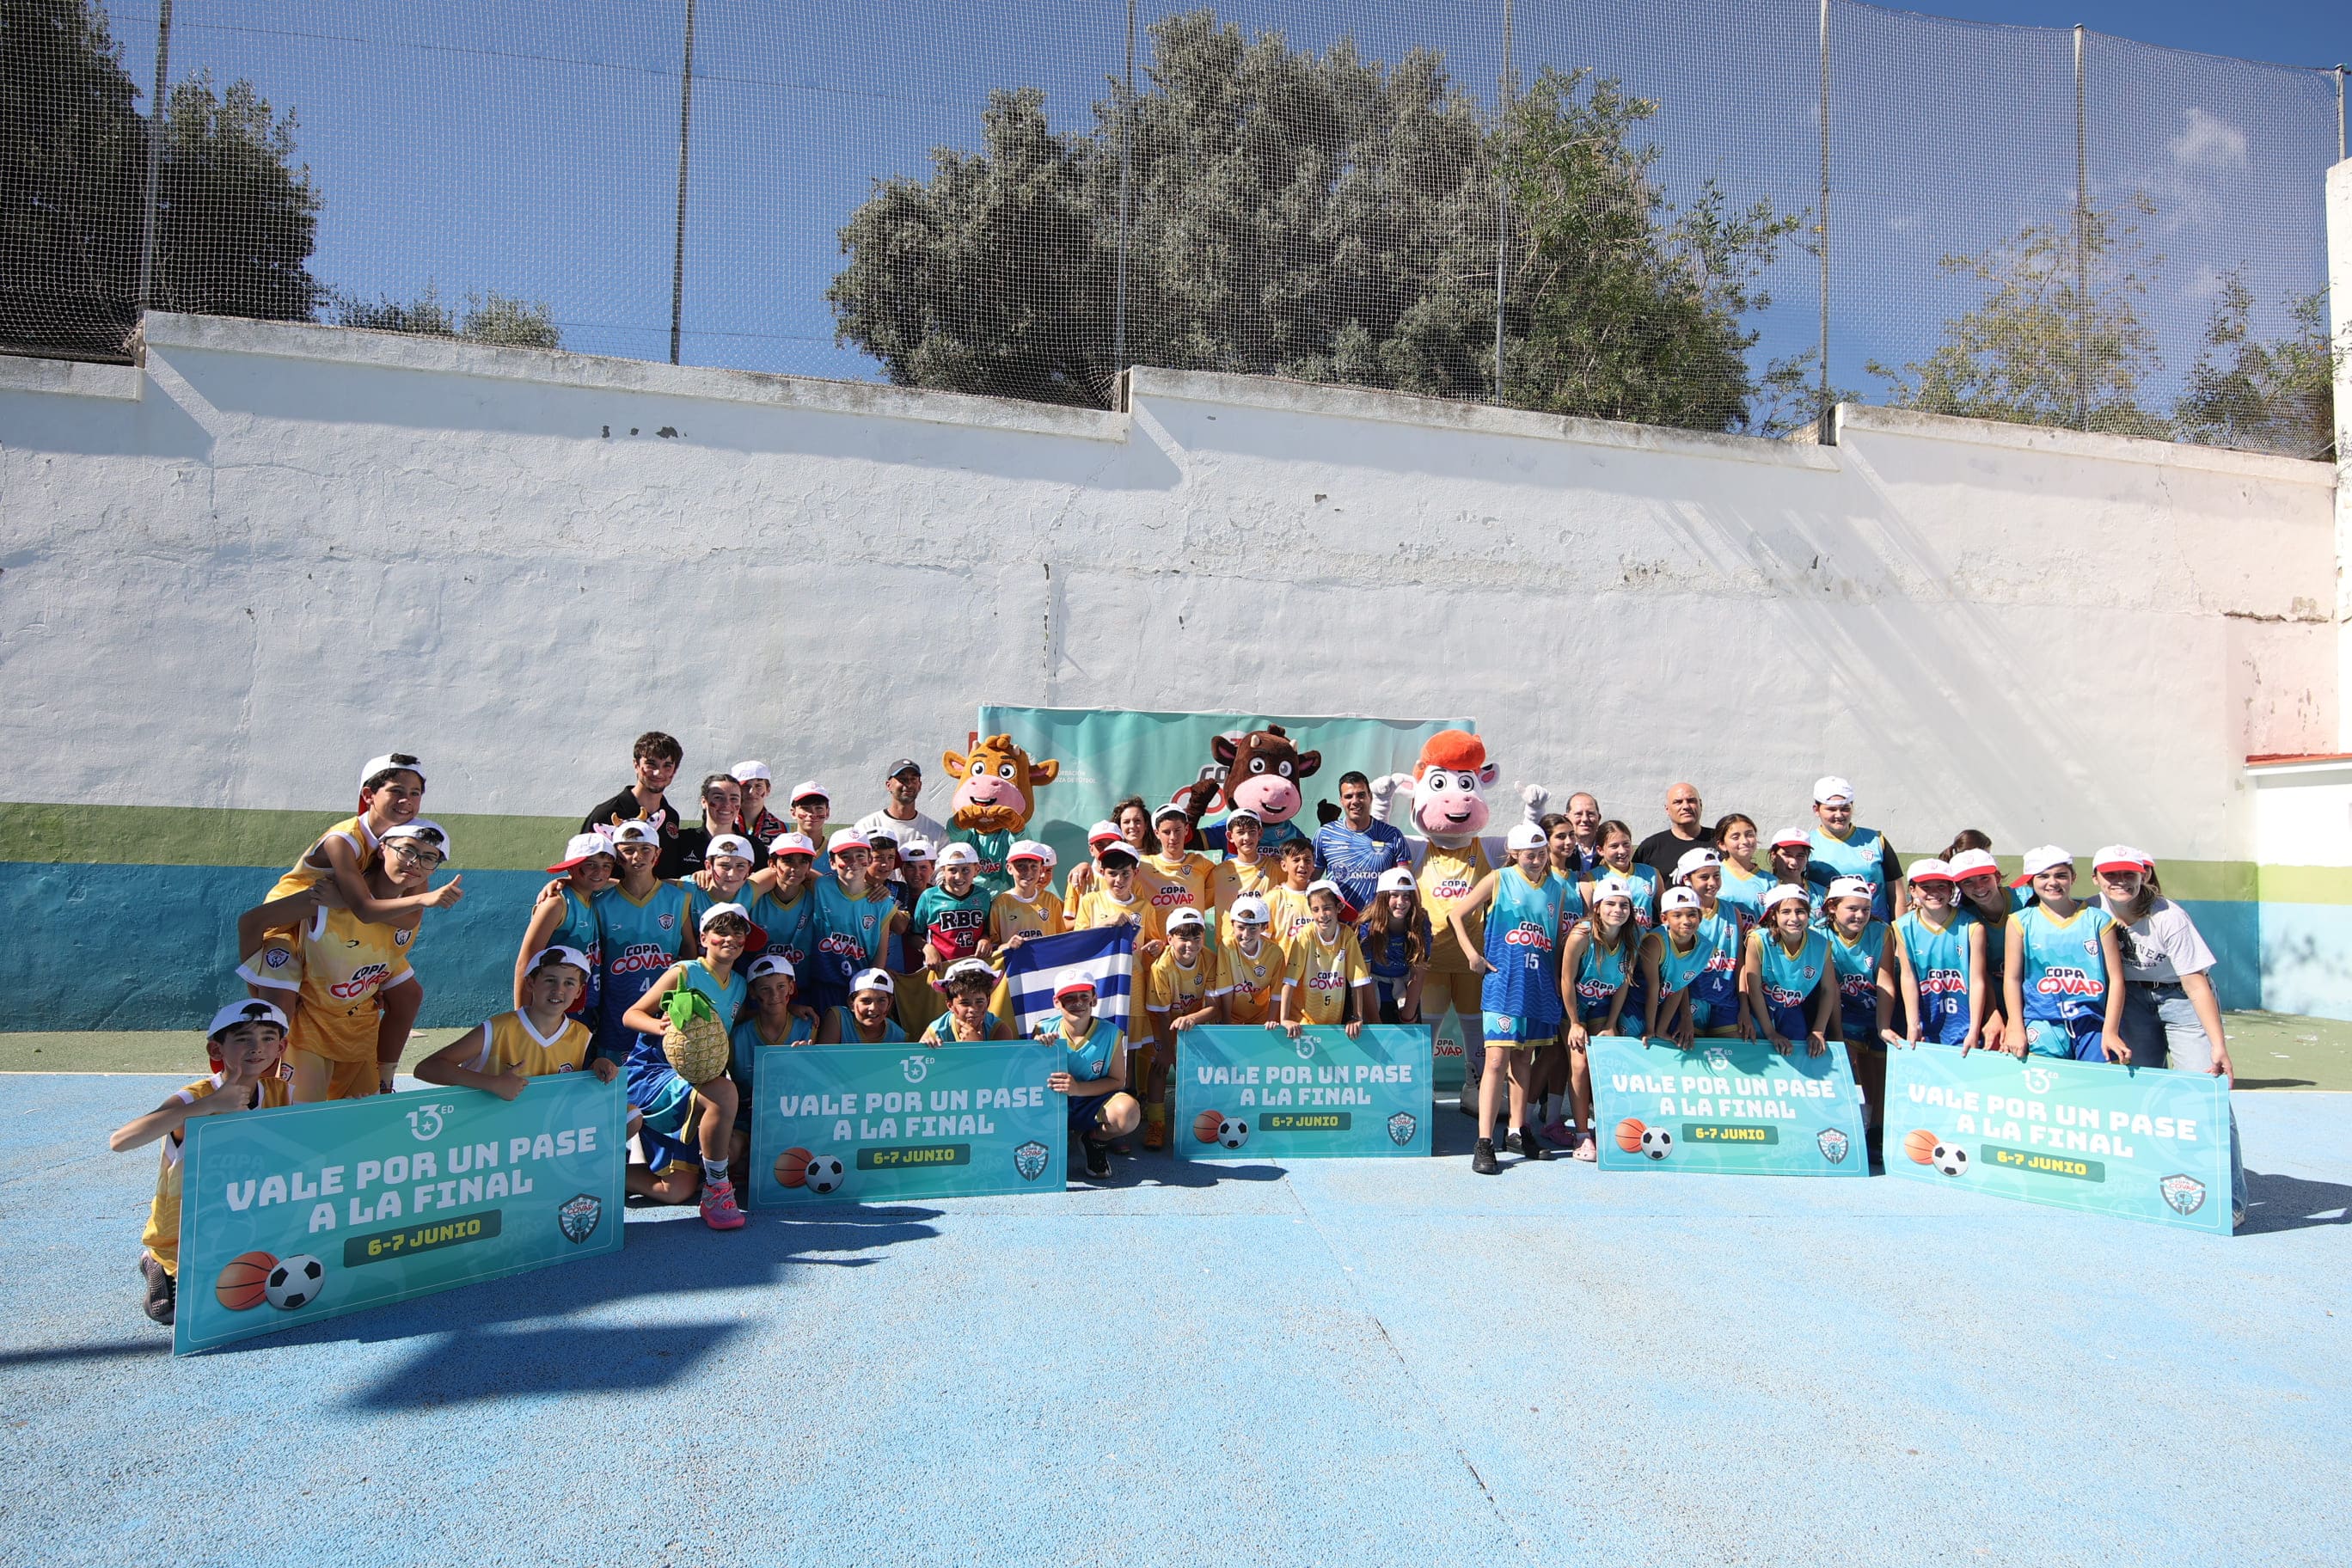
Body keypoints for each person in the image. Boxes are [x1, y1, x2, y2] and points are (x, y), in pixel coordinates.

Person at [236, 819, 446, 1101]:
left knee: (409, 993)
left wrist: (376, 983)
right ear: (382, 849)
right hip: (308, 1023)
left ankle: (386, 1079)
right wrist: (258, 989)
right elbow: (252, 922)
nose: (415, 863)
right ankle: (256, 1088)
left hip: (355, 1019)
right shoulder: (325, 895)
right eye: (407, 851)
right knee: (297, 1122)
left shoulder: (411, 907)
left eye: (428, 858)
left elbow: (384, 914)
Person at [112, 1000, 292, 1326]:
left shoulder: (282, 1093)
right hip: (187, 1228)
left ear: (282, 1047)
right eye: (242, 1039)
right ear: (216, 1048)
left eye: (268, 1038)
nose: (257, 1048)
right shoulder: (194, 1097)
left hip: (245, 1218)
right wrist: (210, 1105)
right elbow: (121, 1141)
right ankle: (158, 1259)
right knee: (175, 1315)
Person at [2095, 846, 2245, 1225]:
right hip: (2131, 1001)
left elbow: (2196, 985)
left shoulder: (2169, 916)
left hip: (2179, 997)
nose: (2119, 881)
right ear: (2096, 878)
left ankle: (2230, 1198)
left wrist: (2218, 1045)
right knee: (2142, 1094)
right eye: (2110, 875)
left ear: (2142, 876)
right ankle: (2150, 1185)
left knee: (2205, 1094)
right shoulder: (2091, 911)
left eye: (2127, 874)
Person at [622, 903, 753, 1228]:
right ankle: (718, 1190)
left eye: (738, 933)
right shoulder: (684, 972)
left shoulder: (739, 984)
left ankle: (594, 1172)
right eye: (721, 932)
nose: (730, 939)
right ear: (704, 937)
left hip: (693, 1079)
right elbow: (631, 1015)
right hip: (654, 1072)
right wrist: (661, 1026)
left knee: (675, 1190)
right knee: (724, 1092)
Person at [1449, 824, 1567, 1173]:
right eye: (1529, 854)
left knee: (1523, 1062)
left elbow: (1556, 940)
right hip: (1503, 985)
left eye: (1541, 852)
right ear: (1514, 853)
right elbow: (1456, 914)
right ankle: (1484, 1141)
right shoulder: (1499, 878)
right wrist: (1472, 954)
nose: (1537, 859)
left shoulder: (1556, 888)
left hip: (1538, 985)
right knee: (1497, 1062)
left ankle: (1518, 1129)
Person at [415, 946, 619, 1096]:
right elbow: (427, 1068)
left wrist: (596, 1066)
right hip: (488, 1132)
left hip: (537, 1135)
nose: (558, 990)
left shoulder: (581, 1034)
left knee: (631, 1116)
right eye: (550, 980)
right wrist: (492, 1083)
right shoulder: (498, 1029)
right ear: (530, 983)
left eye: (569, 983)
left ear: (579, 991)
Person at [2006, 847, 2128, 1063]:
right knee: (2046, 1087)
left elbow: (2116, 980)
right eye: (2043, 876)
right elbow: (2012, 978)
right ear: (2030, 882)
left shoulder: (2098, 920)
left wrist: (2111, 1030)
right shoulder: (2019, 921)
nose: (2052, 882)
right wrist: (2015, 1025)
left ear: (2073, 877)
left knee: (2095, 1088)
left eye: (2061, 875)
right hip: (2043, 1020)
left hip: (2091, 1021)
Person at [591, 819, 695, 1069]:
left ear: (657, 854)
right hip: (615, 1017)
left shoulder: (679, 899)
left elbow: (689, 953)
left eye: (645, 849)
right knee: (615, 1093)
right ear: (617, 857)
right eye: (628, 850)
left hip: (664, 1017)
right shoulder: (601, 904)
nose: (637, 857)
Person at [1552, 877, 1640, 1159]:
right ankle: (1581, 1135)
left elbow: (1624, 982)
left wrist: (1612, 1024)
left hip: (1602, 1007)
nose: (1618, 910)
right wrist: (1575, 1023)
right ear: (1598, 907)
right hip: (1575, 1005)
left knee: (1608, 1061)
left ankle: (1607, 1127)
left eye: (1624, 905)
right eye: (1611, 904)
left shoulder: (1632, 937)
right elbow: (1565, 980)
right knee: (1579, 1065)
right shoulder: (1582, 934)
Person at [1035, 977, 1141, 1180]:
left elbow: (1118, 1081)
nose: (1078, 1003)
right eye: (1069, 998)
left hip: (1092, 1102)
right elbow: (1031, 1077)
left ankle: (1093, 1141)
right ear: (1056, 1002)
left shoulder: (1111, 1033)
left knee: (1127, 1112)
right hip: (1055, 1104)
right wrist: (1036, 1047)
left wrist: (1078, 1089)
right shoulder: (1043, 1030)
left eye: (1084, 996)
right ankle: (1056, 1141)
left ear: (1094, 999)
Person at [1821, 874, 1900, 1142]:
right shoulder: (1820, 934)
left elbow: (1885, 978)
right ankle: (1843, 1127)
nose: (1860, 915)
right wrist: (1836, 1033)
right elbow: (1829, 988)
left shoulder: (1881, 932)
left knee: (1879, 1072)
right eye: (1852, 908)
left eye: (1865, 909)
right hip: (1842, 1011)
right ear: (1832, 907)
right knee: (1843, 1062)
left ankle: (1876, 1129)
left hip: (1878, 1009)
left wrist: (1883, 1026)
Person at [1893, 859, 1995, 1053]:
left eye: (1941, 886)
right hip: (1927, 1021)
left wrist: (1974, 1030)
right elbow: (1908, 977)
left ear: (1951, 890)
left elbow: (1977, 981)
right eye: (1925, 887)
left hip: (1963, 1024)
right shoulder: (1903, 927)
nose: (1934, 892)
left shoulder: (1972, 927)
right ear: (1912, 890)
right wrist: (1913, 1024)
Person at [802, 830, 908, 1016]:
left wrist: (869, 989)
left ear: (869, 859)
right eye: (845, 856)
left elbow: (880, 954)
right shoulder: (821, 886)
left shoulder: (882, 902)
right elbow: (795, 870)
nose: (854, 862)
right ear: (832, 863)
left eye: (860, 855)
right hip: (822, 983)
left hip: (860, 988)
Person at [515, 832, 614, 1026]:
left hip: (583, 1005)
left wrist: (567, 879)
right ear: (572, 866)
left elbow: (631, 885)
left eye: (606, 866)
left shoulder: (594, 896)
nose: (600, 872)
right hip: (551, 1007)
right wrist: (521, 1021)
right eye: (590, 864)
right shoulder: (556, 904)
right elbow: (525, 962)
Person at [728, 953, 814, 1171]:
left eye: (781, 987)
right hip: (747, 1118)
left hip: (792, 1118)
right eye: (765, 989)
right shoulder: (737, 1036)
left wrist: (808, 1063)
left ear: (792, 988)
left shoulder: (808, 1028)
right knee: (729, 1152)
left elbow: (818, 1085)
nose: (775, 994)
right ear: (753, 993)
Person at [1141, 908, 1218, 1147]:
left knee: (1198, 1069)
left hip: (1192, 1021)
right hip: (1161, 1022)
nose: (1191, 945)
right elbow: (1162, 1015)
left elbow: (1214, 1006)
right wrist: (1166, 1049)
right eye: (1183, 938)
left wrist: (1193, 1018)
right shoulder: (1161, 967)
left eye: (1197, 938)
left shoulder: (1210, 959)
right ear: (1170, 939)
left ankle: (1196, 1120)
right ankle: (1156, 1123)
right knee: (1159, 1066)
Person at [581, 732, 690, 878]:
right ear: (636, 765)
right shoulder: (606, 814)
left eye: (667, 766)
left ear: (675, 770)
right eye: (651, 764)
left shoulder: (671, 816)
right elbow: (581, 867)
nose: (658, 773)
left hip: (662, 900)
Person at [1743, 885, 1833, 1057]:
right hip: (1759, 1010)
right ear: (1774, 916)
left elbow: (1829, 989)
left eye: (1800, 911)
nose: (1794, 918)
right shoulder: (1758, 940)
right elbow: (1753, 991)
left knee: (1799, 1055)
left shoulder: (1821, 944)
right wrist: (1770, 1033)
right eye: (1786, 912)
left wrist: (1818, 1031)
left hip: (1791, 1011)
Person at [1806, 775, 1905, 921]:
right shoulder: (1806, 844)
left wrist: (1899, 932)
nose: (1839, 815)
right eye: (1831, 809)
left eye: (1845, 809)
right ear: (1816, 809)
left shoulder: (1876, 840)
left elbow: (1896, 892)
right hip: (1826, 934)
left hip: (1876, 934)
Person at [1314, 771, 1411, 917]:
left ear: (1370, 797)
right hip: (1339, 926)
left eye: (1361, 795)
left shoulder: (1392, 835)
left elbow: (1406, 883)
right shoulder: (1325, 834)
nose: (1355, 801)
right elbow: (1311, 880)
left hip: (1379, 924)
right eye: (1348, 796)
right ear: (1341, 800)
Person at [1675, 848, 1745, 1037]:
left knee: (1730, 1058)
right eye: (1704, 877)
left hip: (1726, 1000)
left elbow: (1740, 963)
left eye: (1716, 875)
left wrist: (1745, 1008)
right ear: (1686, 880)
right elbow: (1678, 970)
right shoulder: (1680, 915)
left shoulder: (1732, 912)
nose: (1712, 882)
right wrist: (1685, 1015)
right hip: (1692, 999)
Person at [1949, 848, 2015, 1044]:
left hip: (2032, 1005)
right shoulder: (1963, 919)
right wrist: (1992, 1012)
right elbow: (1979, 971)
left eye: (1984, 878)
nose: (1978, 887)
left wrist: (2015, 1020)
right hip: (1991, 1001)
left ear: (1997, 876)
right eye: (1968, 881)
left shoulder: (2029, 903)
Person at [1638, 887, 1714, 1045]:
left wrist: (1661, 1029)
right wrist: (1651, 1030)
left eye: (1692, 914)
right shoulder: (1654, 943)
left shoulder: (1705, 948)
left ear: (1700, 917)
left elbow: (1678, 986)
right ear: (1664, 918)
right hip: (1637, 1001)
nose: (1686, 921)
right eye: (1677, 915)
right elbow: (1652, 988)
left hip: (1664, 1003)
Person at [1068, 838, 1167, 960]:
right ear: (1103, 873)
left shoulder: (1145, 906)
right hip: (1101, 977)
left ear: (1135, 873)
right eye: (1113, 874)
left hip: (1134, 977)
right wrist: (1105, 924)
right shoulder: (1090, 901)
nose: (1119, 880)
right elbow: (1079, 943)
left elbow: (1151, 943)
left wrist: (1158, 946)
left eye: (1125, 873)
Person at [913, 841, 995, 982]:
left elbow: (988, 929)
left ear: (977, 870)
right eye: (952, 870)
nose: (959, 876)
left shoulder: (984, 896)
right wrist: (926, 948)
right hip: (942, 970)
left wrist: (985, 939)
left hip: (975, 968)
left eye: (965, 870)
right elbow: (913, 935)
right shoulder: (929, 897)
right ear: (942, 870)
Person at [742, 830, 820, 976]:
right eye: (787, 860)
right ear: (772, 864)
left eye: (803, 862)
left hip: (803, 987)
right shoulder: (756, 899)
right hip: (759, 986)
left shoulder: (816, 899)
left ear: (810, 867)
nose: (795, 868)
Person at [1358, 866, 1429, 1025]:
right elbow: (1364, 978)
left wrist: (1408, 1015)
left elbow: (1418, 972)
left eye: (1406, 896)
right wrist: (1375, 1021)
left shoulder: (1420, 923)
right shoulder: (1367, 927)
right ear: (1383, 897)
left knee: (1409, 1047)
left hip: (1406, 992)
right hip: (1374, 992)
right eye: (1394, 895)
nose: (1401, 902)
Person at [673, 774, 768, 877]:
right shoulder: (682, 840)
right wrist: (691, 880)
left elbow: (766, 881)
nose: (727, 804)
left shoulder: (753, 845)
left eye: (734, 799)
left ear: (740, 803)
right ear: (704, 802)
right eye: (718, 797)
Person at [1140, 801, 1216, 928]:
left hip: (1192, 946)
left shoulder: (1202, 864)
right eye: (1166, 832)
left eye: (1177, 830)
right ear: (1156, 833)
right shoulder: (1143, 865)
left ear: (1186, 829)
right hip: (1156, 946)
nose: (1173, 837)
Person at [1212, 894, 1285, 1026]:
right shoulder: (1227, 946)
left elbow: (1276, 992)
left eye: (1253, 928)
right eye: (1241, 928)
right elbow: (1226, 988)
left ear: (1264, 927)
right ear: (1232, 925)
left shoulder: (1275, 953)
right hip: (1230, 1016)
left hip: (1260, 1017)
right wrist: (1227, 1022)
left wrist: (1271, 1020)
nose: (1246, 935)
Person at [854, 758, 950, 856]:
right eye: (902, 779)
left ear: (919, 785)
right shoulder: (866, 827)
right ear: (888, 785)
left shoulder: (936, 832)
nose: (908, 784)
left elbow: (942, 870)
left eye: (913, 779)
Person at [990, 840, 1066, 952]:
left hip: (1047, 966)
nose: (1028, 872)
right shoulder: (1000, 904)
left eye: (1034, 866)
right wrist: (1007, 946)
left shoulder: (1051, 901)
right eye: (1021, 866)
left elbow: (1061, 940)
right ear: (1009, 868)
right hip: (1015, 967)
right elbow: (992, 947)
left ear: (1041, 869)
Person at [1585, 820, 1659, 930]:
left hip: (1644, 943)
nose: (1622, 851)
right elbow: (1588, 919)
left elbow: (1666, 912)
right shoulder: (1590, 879)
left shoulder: (1651, 874)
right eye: (1614, 846)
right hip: (1610, 943)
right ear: (1600, 850)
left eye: (1626, 844)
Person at [922, 959, 1016, 1044]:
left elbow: (1003, 1064)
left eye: (979, 1002)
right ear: (950, 1006)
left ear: (988, 1002)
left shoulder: (1000, 1031)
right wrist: (926, 1051)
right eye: (965, 1003)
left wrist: (977, 1047)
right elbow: (914, 1060)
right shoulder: (936, 1032)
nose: (973, 1009)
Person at [1634, 782, 1712, 883]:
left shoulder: (1721, 841)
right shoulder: (1651, 848)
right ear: (1667, 809)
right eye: (1678, 802)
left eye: (1691, 801)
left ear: (1700, 805)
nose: (1686, 806)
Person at [683, 834, 759, 934]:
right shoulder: (689, 887)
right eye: (724, 865)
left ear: (749, 869)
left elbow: (774, 871)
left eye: (740, 866)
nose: (732, 874)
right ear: (709, 867)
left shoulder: (751, 889)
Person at [816, 968, 912, 1044]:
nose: (873, 1008)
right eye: (866, 1001)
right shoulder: (838, 1018)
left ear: (890, 1003)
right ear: (851, 1003)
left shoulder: (898, 1036)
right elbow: (823, 1061)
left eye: (881, 1001)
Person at [1210, 808, 1276, 916]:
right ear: (1230, 836)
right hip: (1229, 932)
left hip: (1263, 932)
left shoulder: (1275, 867)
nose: (1247, 838)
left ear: (1260, 834)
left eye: (1252, 832)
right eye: (1240, 832)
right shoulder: (1218, 872)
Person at [1713, 814, 1771, 931]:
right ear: (1722, 844)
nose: (1744, 841)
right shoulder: (1713, 875)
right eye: (1735, 837)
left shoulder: (1771, 882)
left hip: (1758, 947)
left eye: (1749, 835)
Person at [1265, 836, 1320, 946]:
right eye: (1296, 860)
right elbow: (1263, 941)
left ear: (1313, 865)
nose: (1302, 865)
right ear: (1284, 865)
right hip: (1283, 962)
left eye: (1307, 860)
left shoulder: (1322, 896)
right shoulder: (1273, 899)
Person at [733, 761, 787, 845]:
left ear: (768, 790)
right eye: (745, 786)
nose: (751, 792)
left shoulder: (785, 830)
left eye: (758, 786)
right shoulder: (723, 823)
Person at [1560, 793, 1608, 879]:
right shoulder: (1559, 850)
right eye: (1578, 814)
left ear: (1599, 818)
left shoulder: (1609, 849)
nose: (1585, 819)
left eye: (1590, 814)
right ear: (1567, 818)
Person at [785, 781, 832, 853]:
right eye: (805, 808)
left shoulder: (836, 853)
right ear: (793, 813)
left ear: (827, 812)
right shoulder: (782, 850)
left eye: (819, 808)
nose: (812, 814)